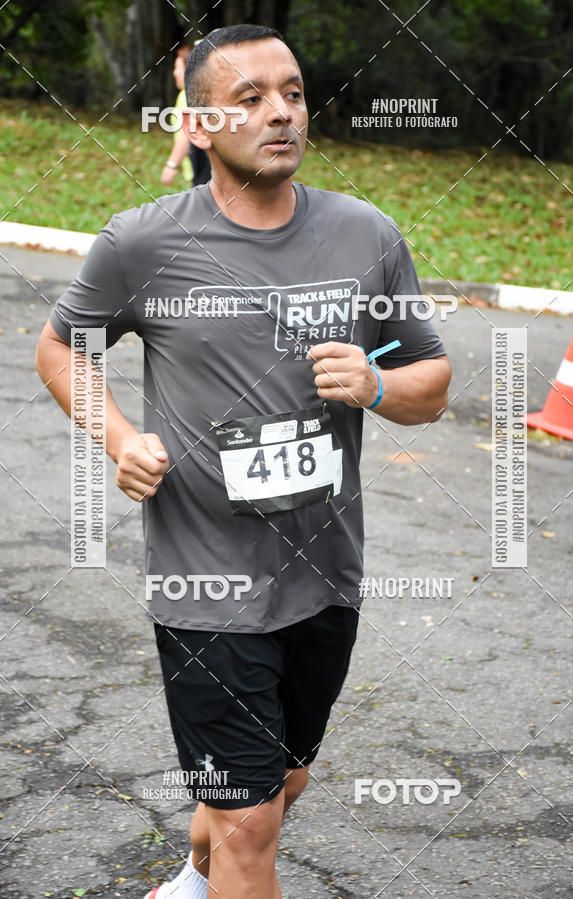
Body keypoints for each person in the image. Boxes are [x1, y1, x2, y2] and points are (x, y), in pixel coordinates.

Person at [35, 23, 451, 899]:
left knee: (283, 783)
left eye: (293, 93)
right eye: (251, 98)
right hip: (204, 584)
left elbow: (433, 381)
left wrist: (375, 388)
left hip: (325, 574)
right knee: (251, 819)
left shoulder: (365, 233)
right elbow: (59, 349)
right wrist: (120, 438)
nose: (281, 113)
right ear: (198, 122)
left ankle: (191, 882)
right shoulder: (142, 242)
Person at [161, 45, 210, 188]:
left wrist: (171, 165)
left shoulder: (188, 96)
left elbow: (187, 131)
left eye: (177, 68)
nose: (175, 73)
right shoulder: (194, 93)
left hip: (203, 169)